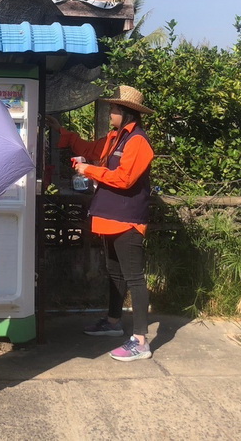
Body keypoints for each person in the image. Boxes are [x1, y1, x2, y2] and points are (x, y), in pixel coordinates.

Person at [46, 85, 155, 362]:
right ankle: (113, 321)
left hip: (127, 220)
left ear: (127, 112)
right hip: (110, 217)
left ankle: (141, 341)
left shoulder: (138, 141)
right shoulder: (116, 138)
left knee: (134, 278)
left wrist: (89, 169)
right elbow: (89, 148)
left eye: (114, 109)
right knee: (115, 273)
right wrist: (60, 131)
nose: (110, 113)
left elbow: (125, 178)